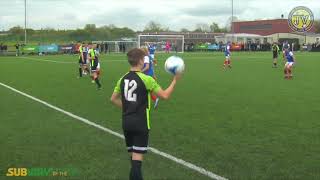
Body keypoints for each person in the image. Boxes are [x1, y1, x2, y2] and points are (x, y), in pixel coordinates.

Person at [110, 48, 181, 180]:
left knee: (133, 160)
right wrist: (175, 80)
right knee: (137, 163)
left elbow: (113, 99)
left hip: (126, 122)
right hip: (140, 123)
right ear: (141, 60)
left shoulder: (122, 78)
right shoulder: (146, 79)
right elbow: (165, 95)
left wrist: (127, 107)